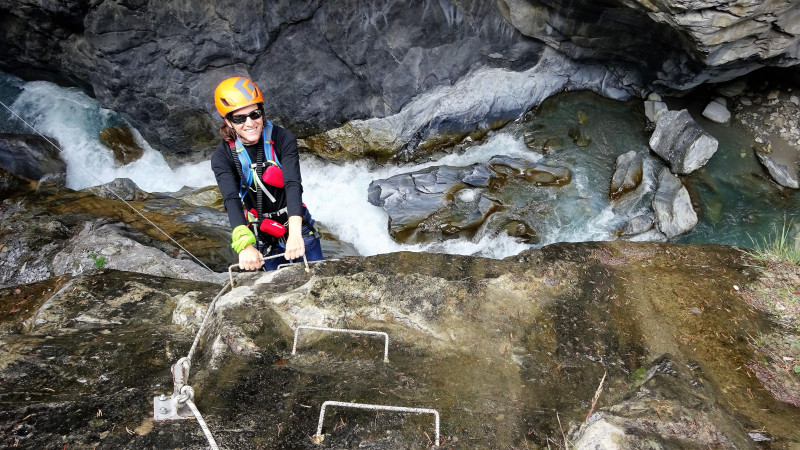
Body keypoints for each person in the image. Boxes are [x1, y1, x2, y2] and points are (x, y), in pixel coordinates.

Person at [211, 76, 323, 271]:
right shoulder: (222, 156)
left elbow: (292, 184)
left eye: (255, 114)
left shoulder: (282, 138)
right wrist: (244, 246)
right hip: (263, 234)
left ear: (262, 113)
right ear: (228, 122)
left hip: (297, 226)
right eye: (239, 118)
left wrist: (296, 234)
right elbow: (231, 199)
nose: (249, 123)